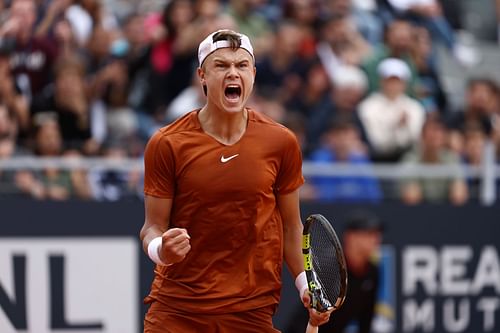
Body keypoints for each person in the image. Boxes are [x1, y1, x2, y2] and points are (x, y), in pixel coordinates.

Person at [139, 29, 330, 333]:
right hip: (178, 309)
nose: (233, 73)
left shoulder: (281, 142)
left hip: (250, 310)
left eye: (242, 66)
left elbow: (291, 226)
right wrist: (162, 249)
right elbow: (152, 228)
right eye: (221, 66)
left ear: (253, 74)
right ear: (202, 75)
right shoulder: (167, 143)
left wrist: (305, 284)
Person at [285, 209, 383, 333]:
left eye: (377, 234)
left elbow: (366, 320)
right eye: (369, 234)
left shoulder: (373, 272)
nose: (377, 239)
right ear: (351, 237)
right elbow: (307, 316)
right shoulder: (329, 268)